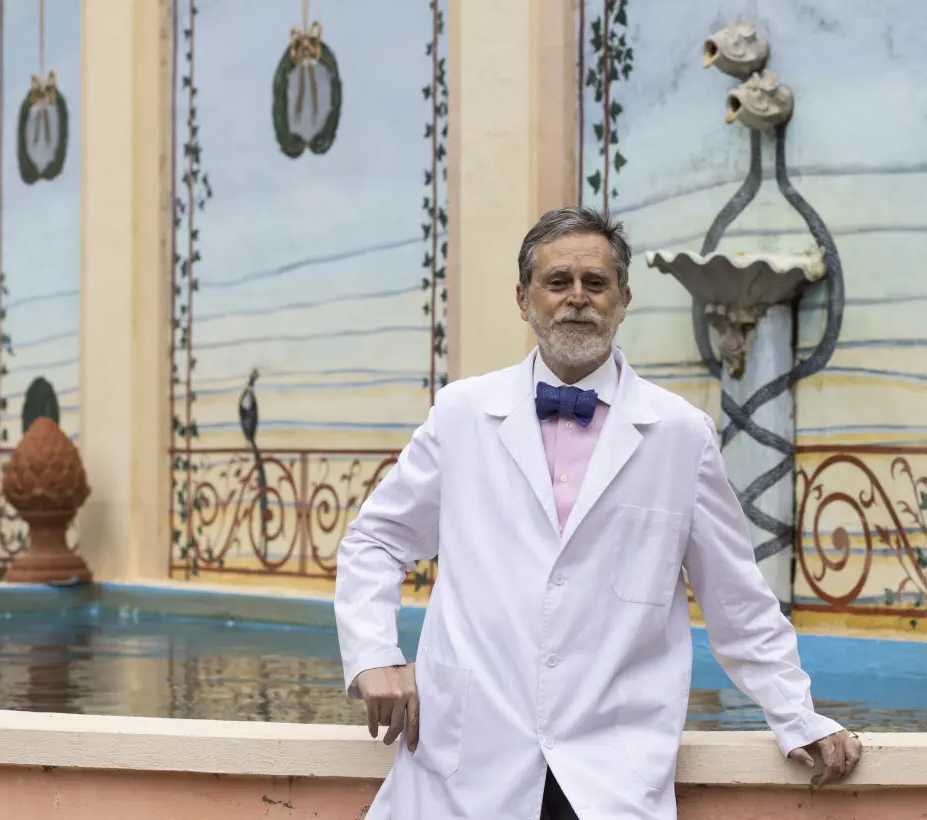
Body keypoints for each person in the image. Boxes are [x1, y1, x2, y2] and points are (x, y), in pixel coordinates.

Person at [334, 206, 861, 820]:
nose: (577, 297)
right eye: (557, 282)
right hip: (468, 758)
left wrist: (798, 716)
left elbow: (736, 601)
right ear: (523, 299)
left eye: (596, 282)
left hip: (611, 770)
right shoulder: (462, 414)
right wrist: (375, 654)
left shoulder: (680, 434)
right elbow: (375, 541)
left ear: (624, 299)